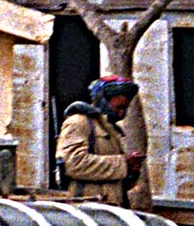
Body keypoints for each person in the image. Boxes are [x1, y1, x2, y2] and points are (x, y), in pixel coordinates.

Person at [56, 76, 148, 206]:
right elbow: (74, 164)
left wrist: (131, 172)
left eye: (125, 108)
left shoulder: (112, 130)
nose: (122, 114)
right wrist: (123, 163)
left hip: (111, 210)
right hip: (86, 210)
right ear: (103, 101)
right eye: (118, 107)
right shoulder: (79, 123)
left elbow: (113, 182)